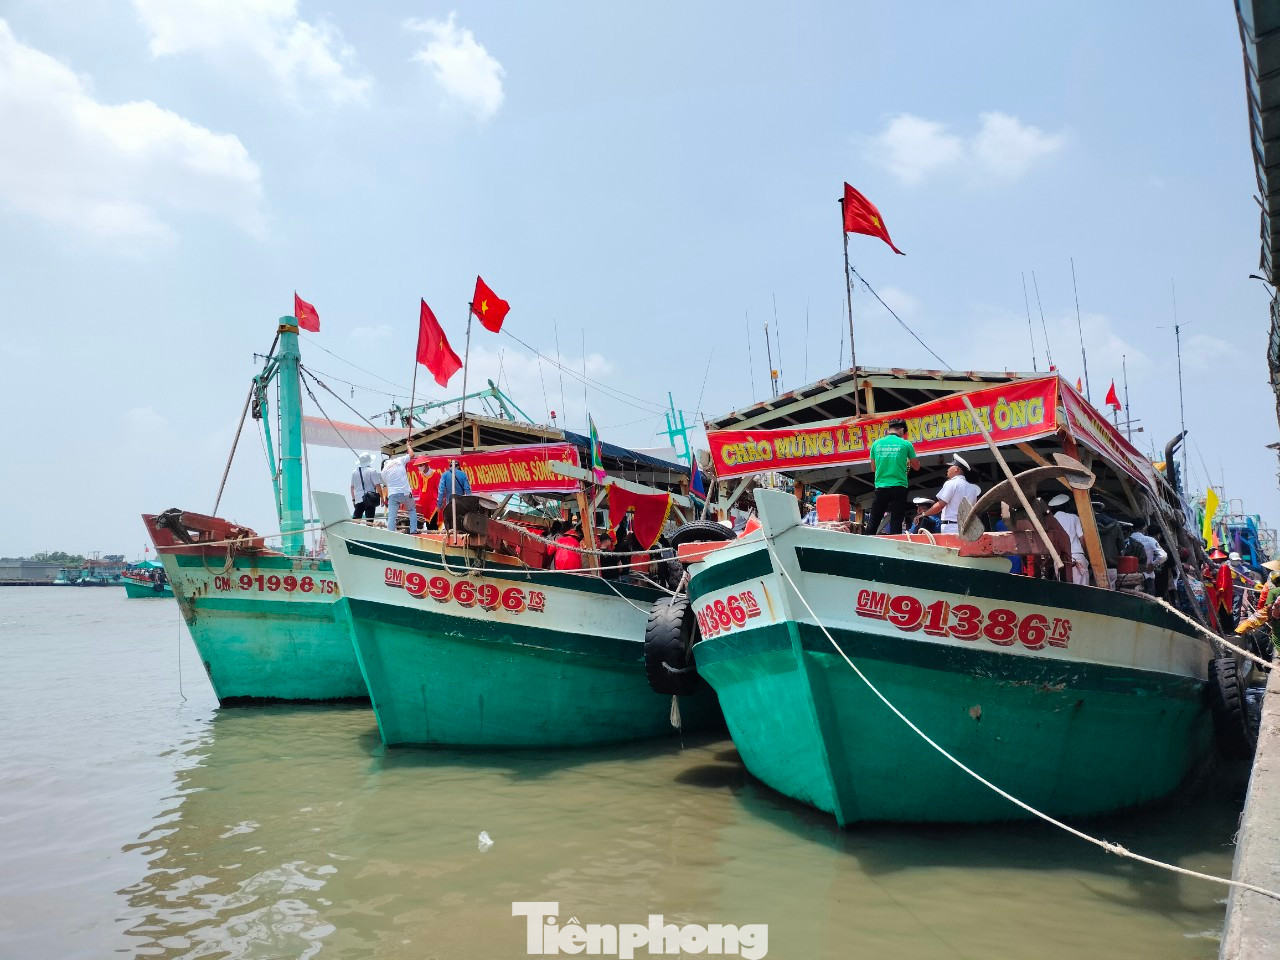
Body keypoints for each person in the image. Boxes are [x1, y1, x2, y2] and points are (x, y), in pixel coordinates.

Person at [864, 419, 920, 536]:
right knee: (897, 521)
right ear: (902, 430)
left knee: (873, 521)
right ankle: (895, 549)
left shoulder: (876, 444)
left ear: (889, 429)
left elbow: (873, 468)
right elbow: (916, 467)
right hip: (899, 487)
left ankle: (864, 547)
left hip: (881, 486)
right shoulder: (906, 444)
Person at [917, 454, 981, 535]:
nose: (948, 469)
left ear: (956, 469)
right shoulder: (973, 489)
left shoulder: (951, 483)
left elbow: (940, 505)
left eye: (950, 467)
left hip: (951, 528)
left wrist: (923, 514)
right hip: (967, 529)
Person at [1048, 494, 1089, 585]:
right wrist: (1086, 554)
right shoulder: (1074, 517)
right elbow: (1082, 539)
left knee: (1064, 589)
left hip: (1059, 559)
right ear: (1066, 506)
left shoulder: (1050, 521)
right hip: (1077, 556)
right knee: (1082, 589)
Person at [381, 451, 418, 534]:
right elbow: (412, 455)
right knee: (411, 510)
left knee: (392, 516)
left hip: (393, 494)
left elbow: (387, 484)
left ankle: (390, 533)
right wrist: (408, 446)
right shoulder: (398, 460)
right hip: (406, 492)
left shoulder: (383, 472)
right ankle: (413, 530)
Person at [1128, 521, 1168, 595]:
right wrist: (1153, 564)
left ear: (1131, 528)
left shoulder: (1126, 541)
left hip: (1128, 578)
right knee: (1149, 600)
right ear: (1144, 528)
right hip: (1147, 576)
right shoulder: (1150, 540)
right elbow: (1163, 556)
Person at [350, 452, 383, 521]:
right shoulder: (372, 471)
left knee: (356, 520)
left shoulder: (354, 472)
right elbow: (377, 486)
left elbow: (352, 488)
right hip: (370, 498)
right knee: (370, 521)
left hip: (358, 499)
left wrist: (353, 499)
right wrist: (381, 497)